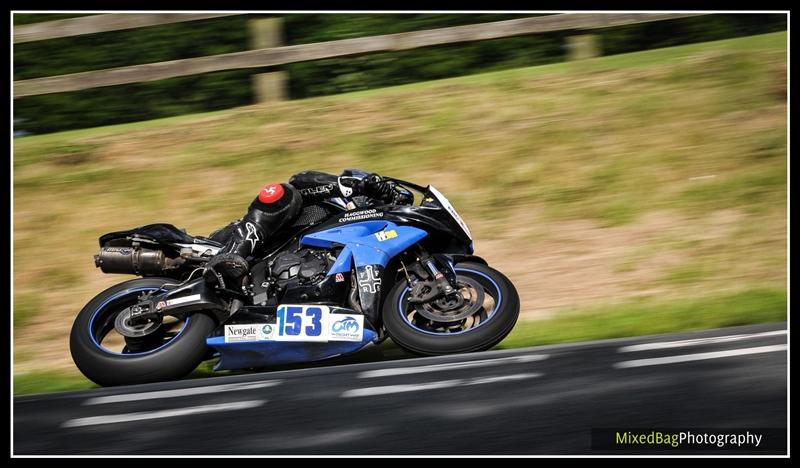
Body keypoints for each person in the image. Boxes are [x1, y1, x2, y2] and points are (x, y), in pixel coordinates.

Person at [203, 169, 412, 288]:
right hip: (236, 245)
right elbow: (298, 180)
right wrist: (355, 185)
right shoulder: (337, 201)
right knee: (281, 192)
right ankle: (230, 255)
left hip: (271, 280)